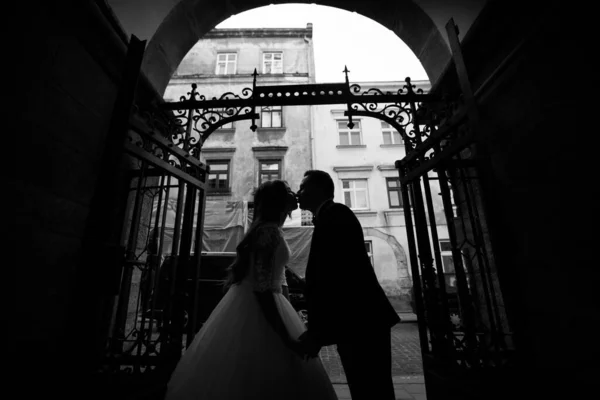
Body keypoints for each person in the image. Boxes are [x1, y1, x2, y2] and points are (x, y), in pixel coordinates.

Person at [164, 179, 337, 400]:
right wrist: (286, 338)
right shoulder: (269, 233)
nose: (294, 193)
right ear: (278, 201)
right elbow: (262, 289)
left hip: (268, 304)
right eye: (287, 191)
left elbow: (278, 276)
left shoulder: (271, 230)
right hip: (261, 309)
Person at [296, 170, 401, 400]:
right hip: (357, 323)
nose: (298, 192)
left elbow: (337, 279)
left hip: (362, 323)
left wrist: (317, 333)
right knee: (366, 388)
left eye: (303, 187)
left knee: (372, 388)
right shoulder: (330, 215)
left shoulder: (336, 214)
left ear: (318, 190)